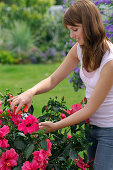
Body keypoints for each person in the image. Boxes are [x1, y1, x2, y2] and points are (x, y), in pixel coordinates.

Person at [9, 0, 113, 169]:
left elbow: (90, 108)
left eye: (75, 29)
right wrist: (31, 92)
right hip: (91, 127)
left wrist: (55, 126)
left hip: (110, 130)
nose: (72, 35)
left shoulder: (109, 61)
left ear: (89, 25)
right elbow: (52, 80)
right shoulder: (80, 49)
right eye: (70, 30)